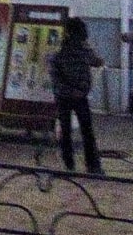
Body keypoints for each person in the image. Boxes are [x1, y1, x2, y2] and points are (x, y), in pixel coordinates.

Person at [48, 16, 106, 174]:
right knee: (86, 131)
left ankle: (69, 165)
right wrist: (78, 91)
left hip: (66, 96)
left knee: (67, 131)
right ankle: (92, 165)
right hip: (78, 96)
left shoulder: (59, 51)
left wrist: (68, 90)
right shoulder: (82, 50)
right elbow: (98, 61)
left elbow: (55, 77)